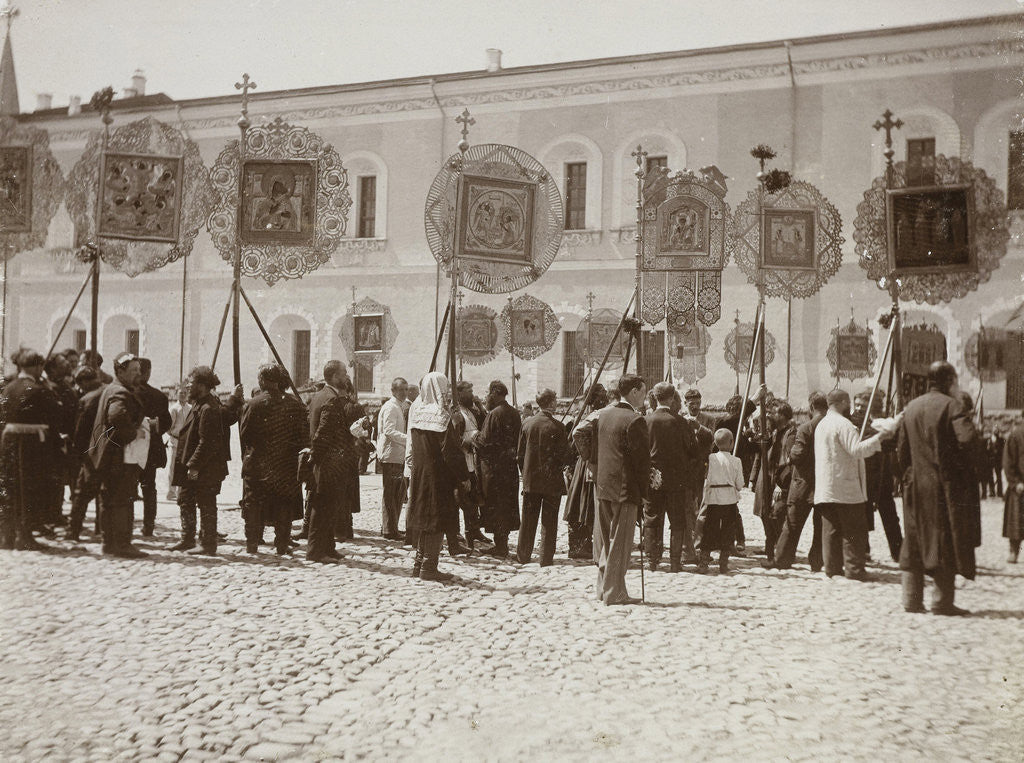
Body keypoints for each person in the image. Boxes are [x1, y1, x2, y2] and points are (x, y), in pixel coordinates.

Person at [897, 361, 981, 615]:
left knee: (913, 540)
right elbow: (968, 441)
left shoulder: (911, 407)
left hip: (914, 485)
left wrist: (909, 476)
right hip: (943, 488)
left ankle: (911, 599)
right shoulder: (952, 406)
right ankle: (941, 602)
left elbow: (901, 451)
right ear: (949, 381)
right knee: (943, 538)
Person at [573, 373, 649, 606]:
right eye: (643, 392)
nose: (645, 397)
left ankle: (603, 588)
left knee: (605, 538)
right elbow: (641, 461)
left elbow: (578, 432)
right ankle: (614, 592)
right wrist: (645, 492)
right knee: (620, 542)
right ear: (634, 392)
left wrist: (592, 462)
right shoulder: (635, 420)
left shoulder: (601, 414)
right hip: (625, 488)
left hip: (603, 484)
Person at [814, 389, 891, 581]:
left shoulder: (822, 424)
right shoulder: (844, 424)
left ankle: (832, 568)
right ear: (841, 402)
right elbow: (857, 450)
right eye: (848, 402)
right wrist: (879, 438)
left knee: (831, 531)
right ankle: (854, 570)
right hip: (846, 487)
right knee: (853, 530)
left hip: (826, 486)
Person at [405, 372, 469, 581]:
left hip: (421, 474)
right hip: (438, 476)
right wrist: (463, 476)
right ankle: (429, 566)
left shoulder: (417, 414)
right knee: (436, 520)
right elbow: (451, 451)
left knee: (425, 518)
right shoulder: (441, 417)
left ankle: (419, 563)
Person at [239, 364, 308, 555]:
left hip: (258, 464)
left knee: (253, 504)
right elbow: (303, 436)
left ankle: (252, 544)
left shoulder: (253, 404)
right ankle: (282, 544)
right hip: (285, 465)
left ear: (262, 380)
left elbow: (245, 435)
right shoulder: (294, 404)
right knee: (283, 504)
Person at [88, 352, 147, 558]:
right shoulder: (120, 392)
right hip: (118, 457)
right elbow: (116, 417)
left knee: (109, 499)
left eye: (139, 370)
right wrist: (135, 432)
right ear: (120, 371)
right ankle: (122, 544)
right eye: (134, 370)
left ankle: (109, 542)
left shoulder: (110, 389)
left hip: (107, 456)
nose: (138, 374)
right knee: (122, 499)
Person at [0, 349, 59, 550]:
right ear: (36, 367)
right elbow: (53, 415)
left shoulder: (9, 388)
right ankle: (24, 536)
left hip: (9, 441)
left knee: (10, 488)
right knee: (29, 489)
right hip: (32, 444)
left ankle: (7, 536)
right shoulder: (38, 389)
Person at [170, 366, 229, 555]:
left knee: (206, 503)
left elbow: (207, 442)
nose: (188, 386)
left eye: (192, 382)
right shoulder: (199, 404)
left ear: (202, 385)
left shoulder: (208, 408)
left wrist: (194, 466)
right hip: (193, 465)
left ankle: (207, 543)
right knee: (185, 500)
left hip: (204, 468)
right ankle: (187, 539)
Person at [642, 382, 696, 572]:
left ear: (655, 398)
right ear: (672, 398)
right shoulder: (681, 422)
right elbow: (692, 451)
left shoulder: (646, 421)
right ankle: (674, 562)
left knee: (651, 518)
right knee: (677, 520)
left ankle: (652, 560)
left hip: (653, 479)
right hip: (676, 479)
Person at [772, 392, 826, 571]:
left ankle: (782, 560)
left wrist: (789, 456)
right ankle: (817, 562)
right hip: (824, 484)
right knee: (820, 527)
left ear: (811, 407)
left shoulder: (806, 428)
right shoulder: (831, 425)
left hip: (803, 483)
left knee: (793, 524)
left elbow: (797, 454)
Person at [516, 388, 571, 566]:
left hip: (531, 480)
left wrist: (525, 474)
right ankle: (545, 558)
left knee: (528, 519)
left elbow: (519, 455)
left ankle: (523, 555)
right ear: (552, 402)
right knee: (549, 520)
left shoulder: (527, 424)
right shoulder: (558, 426)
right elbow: (565, 456)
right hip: (551, 481)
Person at [297, 360, 349, 541]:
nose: (346, 377)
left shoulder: (319, 396)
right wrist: (317, 456)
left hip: (323, 460)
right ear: (335, 377)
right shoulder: (331, 399)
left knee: (327, 506)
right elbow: (323, 433)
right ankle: (317, 549)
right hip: (327, 462)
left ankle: (327, 547)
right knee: (324, 507)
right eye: (344, 374)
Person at [851, 390, 903, 562]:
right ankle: (863, 550)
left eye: (862, 406)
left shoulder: (877, 423)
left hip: (881, 475)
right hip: (863, 476)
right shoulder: (853, 422)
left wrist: (891, 429)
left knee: (890, 515)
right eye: (856, 404)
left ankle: (899, 552)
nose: (858, 409)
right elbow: (867, 439)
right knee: (861, 514)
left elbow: (890, 444)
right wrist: (883, 433)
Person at [475, 379, 522, 558]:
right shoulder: (514, 413)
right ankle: (502, 543)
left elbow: (484, 441)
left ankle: (500, 546)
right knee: (506, 505)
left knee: (495, 505)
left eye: (488, 393)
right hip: (508, 468)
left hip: (494, 470)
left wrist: (473, 438)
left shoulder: (495, 414)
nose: (487, 397)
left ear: (495, 393)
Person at [563, 383, 609, 560]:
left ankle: (586, 544)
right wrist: (589, 456)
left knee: (586, 504)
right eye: (601, 394)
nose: (604, 397)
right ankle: (579, 546)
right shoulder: (589, 415)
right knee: (583, 504)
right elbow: (577, 436)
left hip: (587, 463)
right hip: (587, 464)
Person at [751, 401, 795, 567]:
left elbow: (789, 462)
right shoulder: (775, 431)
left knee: (776, 515)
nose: (770, 416)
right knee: (763, 512)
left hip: (777, 481)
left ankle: (777, 548)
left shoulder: (790, 434)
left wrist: (780, 485)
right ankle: (771, 545)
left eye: (774, 413)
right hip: (767, 477)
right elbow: (760, 452)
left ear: (782, 416)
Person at [696, 429, 745, 573]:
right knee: (728, 531)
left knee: (709, 529)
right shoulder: (736, 461)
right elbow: (740, 484)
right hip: (729, 500)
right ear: (731, 443)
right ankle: (723, 563)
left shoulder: (711, 458)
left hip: (713, 500)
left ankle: (704, 563)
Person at [66, 367, 106, 541]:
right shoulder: (109, 391)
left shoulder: (86, 399)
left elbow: (80, 431)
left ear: (84, 383)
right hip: (110, 450)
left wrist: (77, 453)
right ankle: (103, 529)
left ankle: (73, 531)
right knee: (106, 493)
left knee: (81, 493)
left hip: (91, 453)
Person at [135, 358, 171, 538]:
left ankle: (124, 524)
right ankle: (148, 526)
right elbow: (166, 423)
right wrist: (153, 426)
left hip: (130, 447)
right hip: (150, 449)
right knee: (149, 487)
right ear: (148, 372)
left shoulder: (126, 392)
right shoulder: (159, 396)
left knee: (126, 487)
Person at [680, 388, 714, 563]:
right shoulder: (679, 419)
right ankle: (689, 543)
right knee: (687, 507)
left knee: (701, 507)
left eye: (698, 403)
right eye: (691, 403)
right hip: (684, 471)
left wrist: (699, 428)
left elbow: (713, 439)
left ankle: (699, 542)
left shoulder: (708, 419)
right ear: (685, 403)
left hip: (702, 469)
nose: (695, 406)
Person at [453, 380, 489, 549]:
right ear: (459, 393)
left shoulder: (471, 410)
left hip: (472, 461)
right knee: (463, 500)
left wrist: (481, 407)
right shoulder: (457, 413)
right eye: (469, 391)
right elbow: (454, 439)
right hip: (462, 460)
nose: (472, 394)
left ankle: (474, 530)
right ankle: (465, 535)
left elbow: (484, 424)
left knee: (474, 498)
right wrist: (469, 441)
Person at [377, 377, 409, 541]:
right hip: (391, 455)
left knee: (397, 494)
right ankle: (389, 529)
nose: (404, 392)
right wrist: (408, 439)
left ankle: (391, 526)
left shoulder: (398, 406)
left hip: (397, 455)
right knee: (391, 493)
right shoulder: (391, 407)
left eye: (406, 389)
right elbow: (389, 431)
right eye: (401, 389)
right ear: (393, 391)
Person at [1003, 418, 1024, 563]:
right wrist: (1015, 482)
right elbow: (1008, 461)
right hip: (1020, 487)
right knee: (1016, 523)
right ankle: (1014, 551)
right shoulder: (1016, 435)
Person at [166, 385, 190, 501]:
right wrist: (174, 435)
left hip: (185, 443)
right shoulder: (174, 409)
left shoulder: (190, 408)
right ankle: (171, 492)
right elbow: (168, 427)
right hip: (175, 442)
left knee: (182, 468)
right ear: (176, 394)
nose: (183, 395)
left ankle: (180, 492)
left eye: (185, 393)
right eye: (181, 393)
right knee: (172, 468)